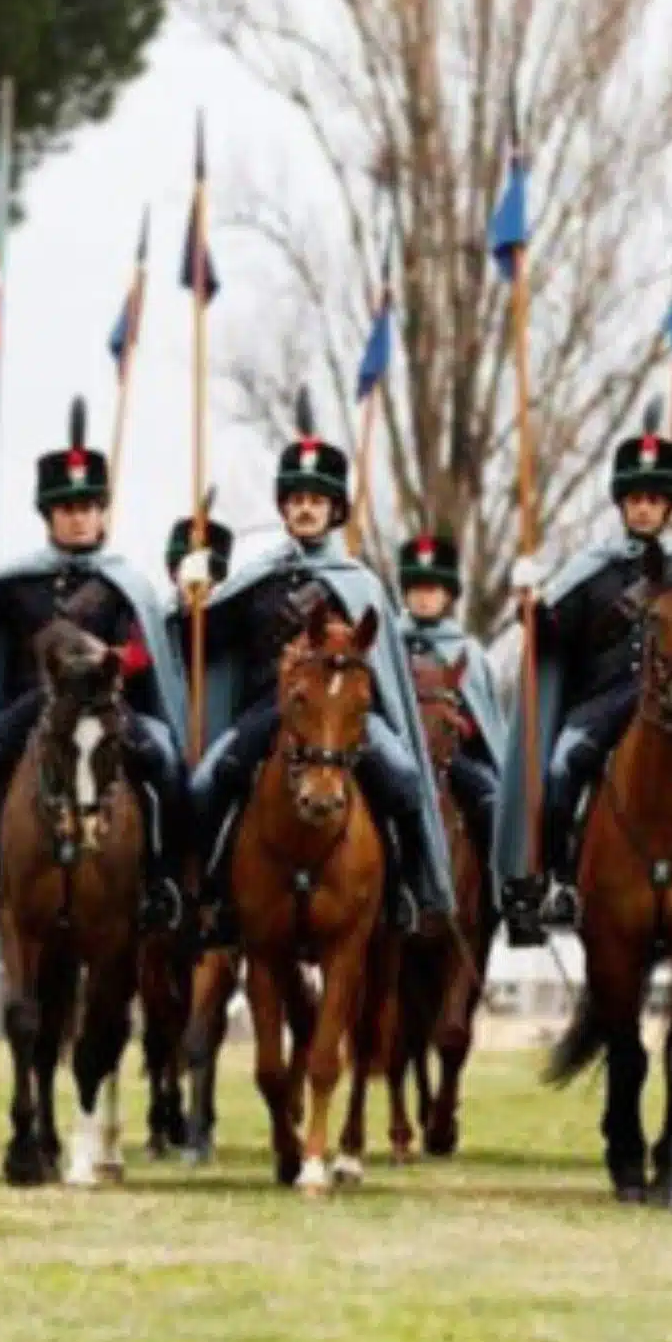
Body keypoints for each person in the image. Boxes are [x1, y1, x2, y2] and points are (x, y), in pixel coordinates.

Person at [492, 401, 672, 943]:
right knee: (560, 770)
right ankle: (558, 882)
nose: (645, 509)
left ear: (671, 507)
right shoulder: (593, 570)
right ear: (623, 503)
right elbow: (556, 640)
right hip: (605, 699)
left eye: (655, 499)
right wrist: (532, 608)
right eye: (636, 499)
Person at [183, 393, 453, 949]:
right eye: (297, 499)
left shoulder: (359, 583)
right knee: (208, 781)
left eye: (318, 500)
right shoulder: (257, 579)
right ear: (284, 508)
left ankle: (407, 891)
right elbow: (202, 644)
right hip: (270, 712)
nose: (306, 508)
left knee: (403, 776)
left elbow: (380, 668)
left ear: (335, 511)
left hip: (348, 719)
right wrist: (192, 597)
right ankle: (207, 896)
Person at [0, 400, 190, 933]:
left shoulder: (122, 584)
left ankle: (163, 881)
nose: (79, 517)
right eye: (68, 508)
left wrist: (115, 659)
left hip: (106, 704)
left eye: (89, 506)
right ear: (49, 516)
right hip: (36, 704)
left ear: (102, 513)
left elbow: (144, 649)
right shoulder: (19, 581)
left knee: (164, 760)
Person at [394, 531, 506, 863]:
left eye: (432, 589)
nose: (423, 598)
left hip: (454, 756)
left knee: (493, 803)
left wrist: (465, 726)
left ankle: (498, 897)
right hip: (402, 751)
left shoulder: (469, 652)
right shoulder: (389, 645)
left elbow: (485, 722)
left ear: (448, 595)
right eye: (416, 588)